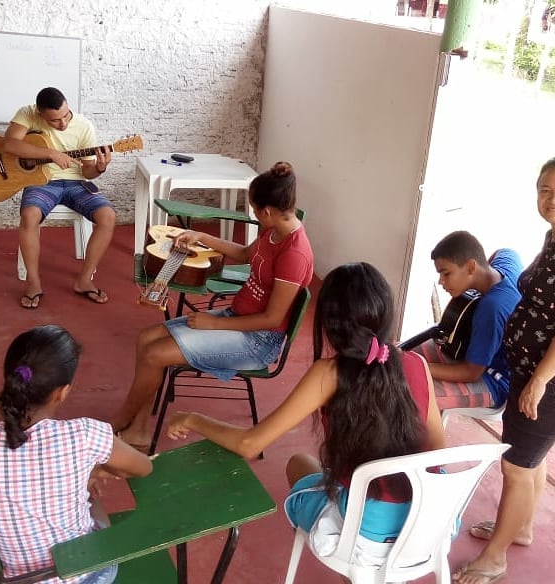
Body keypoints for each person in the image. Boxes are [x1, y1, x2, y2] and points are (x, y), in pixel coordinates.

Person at [166, 262, 446, 566]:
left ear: (329, 325)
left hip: (365, 537)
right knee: (328, 474)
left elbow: (250, 444)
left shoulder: (329, 374)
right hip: (431, 524)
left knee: (298, 466)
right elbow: (439, 450)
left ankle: (355, 572)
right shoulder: (418, 365)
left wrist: (192, 419)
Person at [111, 161, 314, 452]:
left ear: (267, 212)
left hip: (257, 341)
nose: (254, 214)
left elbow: (271, 319)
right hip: (237, 319)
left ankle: (120, 421)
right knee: (146, 339)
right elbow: (245, 253)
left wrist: (214, 323)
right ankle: (139, 429)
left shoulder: (295, 253)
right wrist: (202, 237)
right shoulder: (273, 232)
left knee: (155, 354)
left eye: (255, 210)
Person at [0, 325, 152, 583]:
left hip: (15, 580)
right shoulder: (85, 435)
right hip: (85, 576)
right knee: (94, 508)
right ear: (62, 392)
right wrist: (93, 473)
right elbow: (144, 467)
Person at [453, 159, 555, 584]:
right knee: (528, 462)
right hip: (528, 371)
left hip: (544, 382)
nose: (549, 200)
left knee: (515, 467)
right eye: (544, 189)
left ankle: (494, 558)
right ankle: (522, 527)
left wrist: (540, 380)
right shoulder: (552, 239)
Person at [3, 87, 116, 309]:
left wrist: (100, 168)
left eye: (66, 115)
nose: (63, 124)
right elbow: (9, 144)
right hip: (42, 182)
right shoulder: (27, 114)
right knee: (29, 215)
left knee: (108, 216)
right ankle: (33, 282)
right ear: (40, 113)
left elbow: (88, 171)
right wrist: (51, 153)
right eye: (55, 121)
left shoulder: (84, 126)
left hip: (76, 183)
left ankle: (84, 280)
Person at [419, 231, 522, 411]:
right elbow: (506, 252)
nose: (441, 281)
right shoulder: (504, 266)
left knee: (410, 392)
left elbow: (471, 373)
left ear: (471, 267)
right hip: (470, 352)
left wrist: (419, 367)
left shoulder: (491, 308)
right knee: (405, 353)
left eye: (446, 273)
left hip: (492, 380)